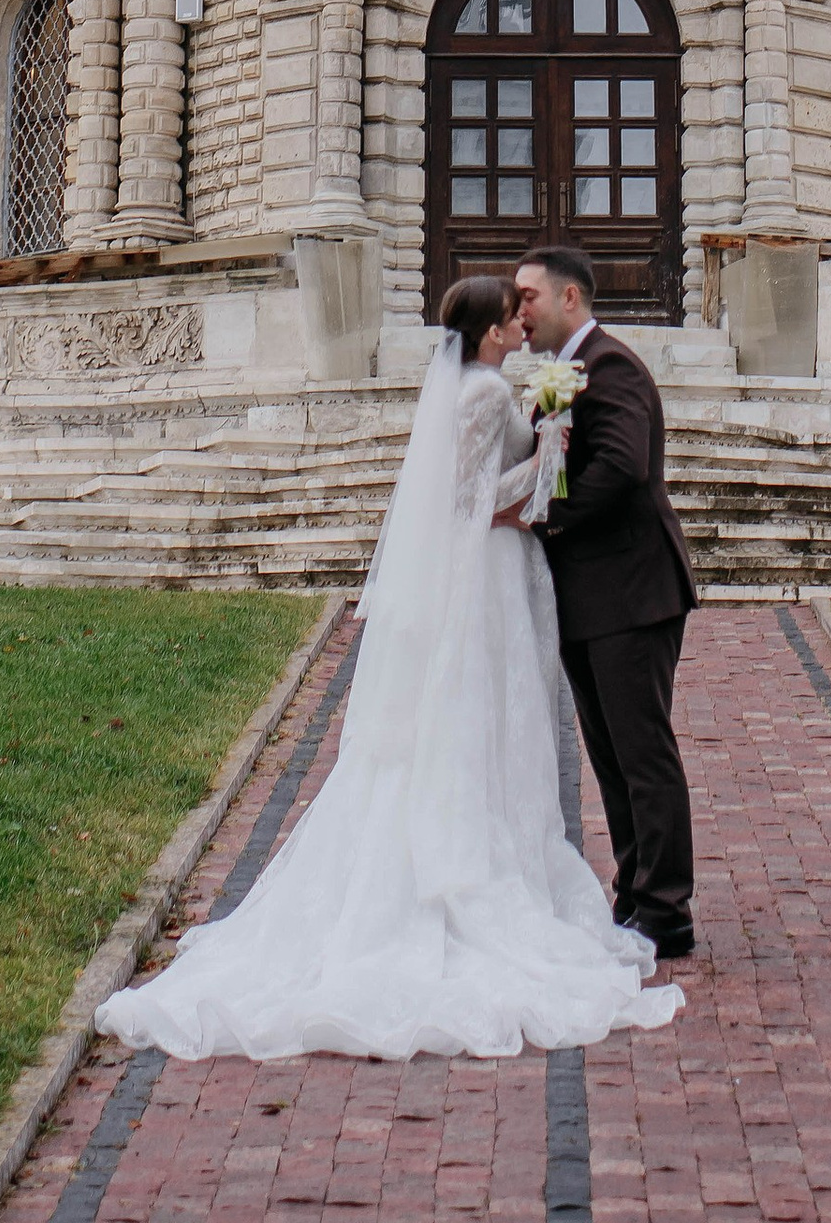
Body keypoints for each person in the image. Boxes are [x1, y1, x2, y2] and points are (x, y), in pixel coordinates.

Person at [96, 277, 684, 1063]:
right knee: (481, 719)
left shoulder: (481, 384)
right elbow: (472, 502)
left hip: (491, 569)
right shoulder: (483, 393)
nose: (522, 319)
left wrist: (547, 446)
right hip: (485, 569)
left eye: (529, 303)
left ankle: (534, 869)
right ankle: (485, 874)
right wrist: (549, 453)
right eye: (511, 312)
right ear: (490, 330)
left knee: (481, 722)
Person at [510, 244, 699, 959]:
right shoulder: (566, 372)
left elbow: (622, 464)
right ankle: (635, 892)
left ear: (570, 298)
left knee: (642, 754)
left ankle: (666, 909)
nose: (518, 310)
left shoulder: (611, 366)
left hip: (632, 592)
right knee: (612, 759)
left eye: (529, 296)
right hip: (591, 597)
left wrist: (544, 516)